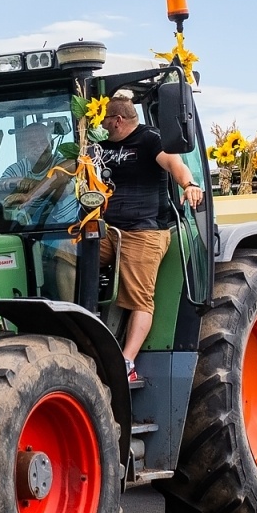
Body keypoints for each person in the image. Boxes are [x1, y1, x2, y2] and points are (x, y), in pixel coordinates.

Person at [97, 96, 203, 382]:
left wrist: (189, 184)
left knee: (140, 298)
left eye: (104, 119)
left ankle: (126, 363)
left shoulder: (150, 139)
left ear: (117, 121)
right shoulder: (101, 146)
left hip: (143, 232)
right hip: (108, 230)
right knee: (65, 255)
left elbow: (173, 163)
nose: (102, 125)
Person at [0, 122, 80, 299]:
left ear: (51, 143)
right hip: (32, 232)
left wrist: (28, 184)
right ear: (22, 147)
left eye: (42, 142)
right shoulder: (18, 168)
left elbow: (61, 192)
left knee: (58, 260)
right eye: (31, 143)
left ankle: (68, 309)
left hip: (64, 231)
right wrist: (12, 185)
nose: (39, 147)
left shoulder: (62, 164)